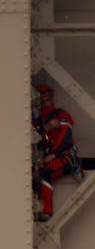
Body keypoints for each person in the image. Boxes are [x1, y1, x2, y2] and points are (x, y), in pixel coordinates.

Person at [34, 84, 82, 220]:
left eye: (47, 100)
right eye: (42, 102)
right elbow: (33, 135)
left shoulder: (62, 115)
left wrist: (54, 153)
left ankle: (46, 211)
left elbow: (66, 136)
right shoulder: (38, 122)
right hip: (50, 157)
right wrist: (47, 127)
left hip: (64, 156)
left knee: (46, 172)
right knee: (36, 176)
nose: (45, 104)